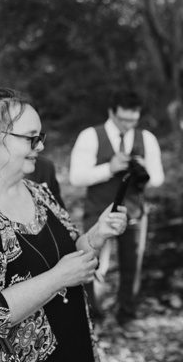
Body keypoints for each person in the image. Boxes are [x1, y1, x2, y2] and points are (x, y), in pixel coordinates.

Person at [0, 87, 124, 362]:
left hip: (76, 354)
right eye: (31, 138)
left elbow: (72, 257)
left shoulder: (39, 192)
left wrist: (97, 234)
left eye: (40, 136)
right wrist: (58, 278)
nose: (41, 147)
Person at [69, 88, 164, 325]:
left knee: (132, 267)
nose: (127, 126)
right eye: (123, 120)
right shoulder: (90, 136)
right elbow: (76, 178)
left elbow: (159, 178)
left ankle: (126, 316)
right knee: (93, 265)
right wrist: (109, 169)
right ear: (112, 112)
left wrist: (142, 170)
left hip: (134, 213)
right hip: (97, 212)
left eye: (133, 120)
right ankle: (94, 317)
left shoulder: (147, 138)